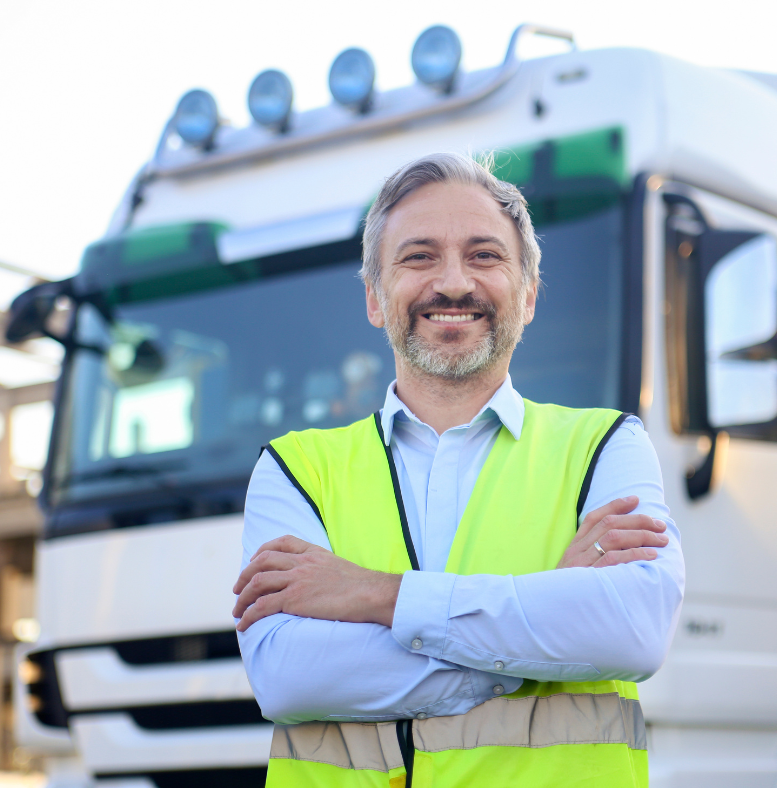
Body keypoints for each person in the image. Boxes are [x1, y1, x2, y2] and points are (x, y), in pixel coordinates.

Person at [233, 152, 685, 788]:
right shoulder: (295, 469)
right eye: (418, 256)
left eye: (484, 256)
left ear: (527, 296)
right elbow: (287, 676)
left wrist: (373, 595)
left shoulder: (607, 447)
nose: (452, 282)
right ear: (374, 297)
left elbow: (631, 633)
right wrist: (541, 628)